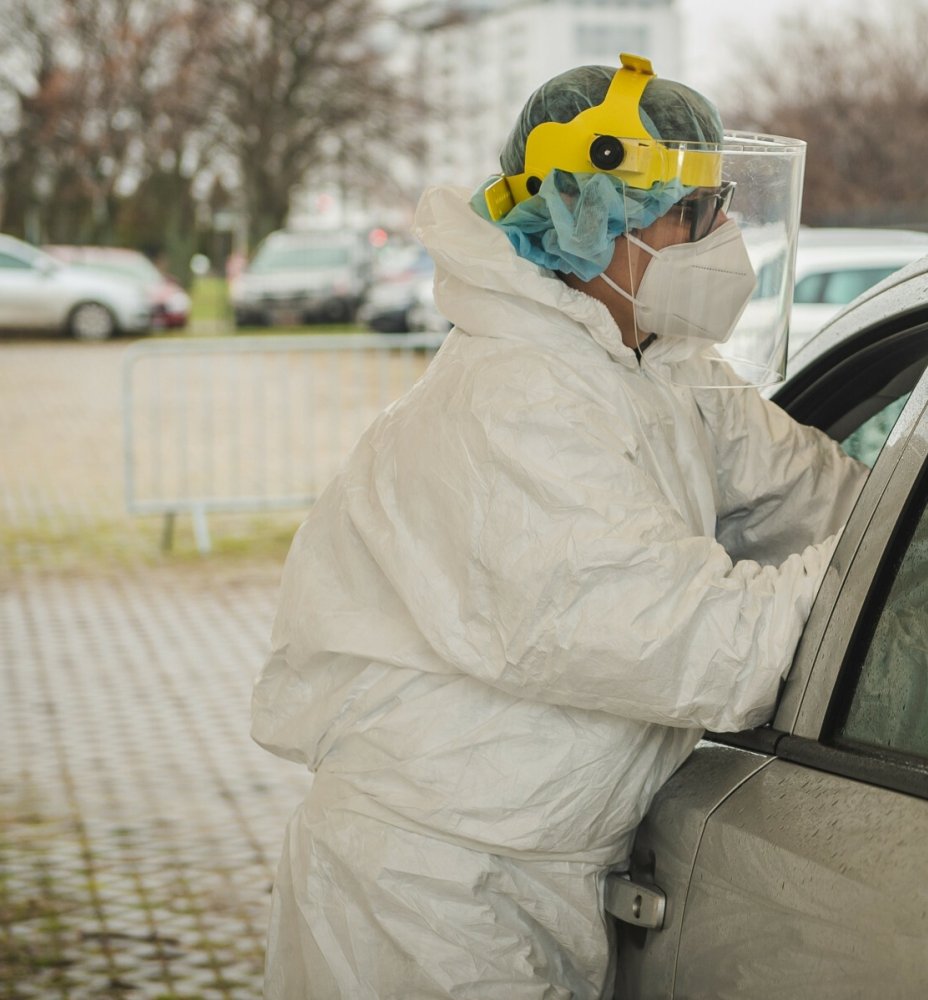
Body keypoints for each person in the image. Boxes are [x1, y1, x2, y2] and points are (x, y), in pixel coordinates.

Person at [249, 55, 866, 998]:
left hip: (540, 876)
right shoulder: (515, 400)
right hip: (428, 901)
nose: (721, 234)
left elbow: (816, 493)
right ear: (601, 220)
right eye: (693, 211)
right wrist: (896, 562)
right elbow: (701, 644)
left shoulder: (654, 367)